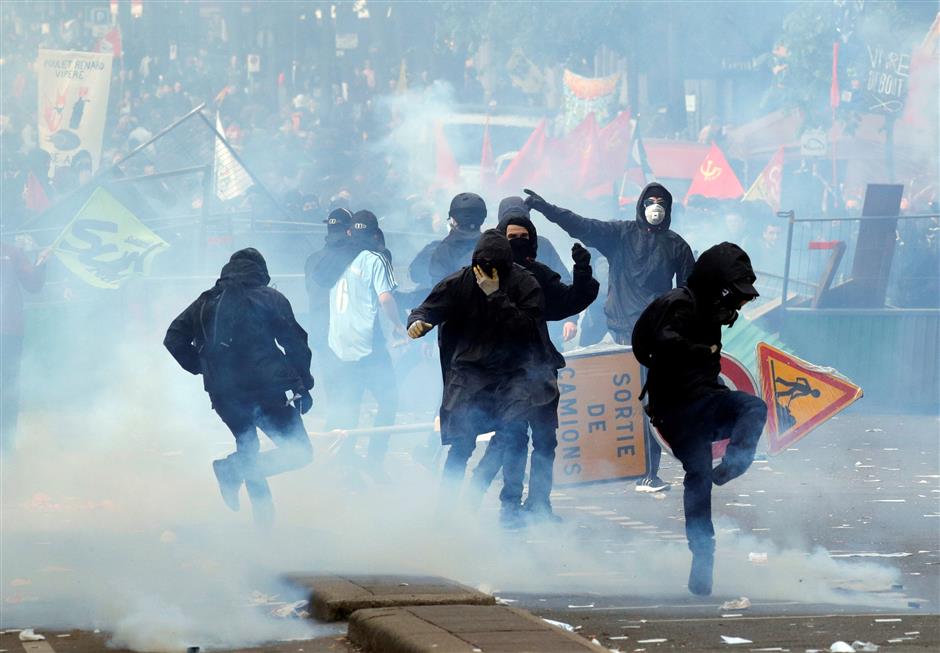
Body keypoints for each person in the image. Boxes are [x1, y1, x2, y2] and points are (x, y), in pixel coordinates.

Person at [524, 183, 695, 493]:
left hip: (656, 336)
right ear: (641, 204)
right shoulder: (620, 235)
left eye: (661, 203)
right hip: (619, 333)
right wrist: (546, 208)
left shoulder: (677, 246)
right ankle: (603, 465)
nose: (655, 207)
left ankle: (648, 471)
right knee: (616, 400)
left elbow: (688, 292)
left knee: (649, 403)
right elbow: (580, 225)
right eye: (650, 201)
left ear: (669, 209)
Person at [632, 242, 766, 596]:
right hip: (677, 409)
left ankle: (704, 556)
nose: (738, 305)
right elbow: (662, 340)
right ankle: (703, 552)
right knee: (700, 478)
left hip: (704, 401)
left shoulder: (709, 311)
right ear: (719, 287)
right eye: (735, 296)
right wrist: (699, 351)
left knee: (751, 413)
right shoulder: (682, 303)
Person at [164, 248, 314, 527]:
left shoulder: (206, 301)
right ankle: (231, 471)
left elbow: (173, 338)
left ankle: (263, 526)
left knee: (248, 450)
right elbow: (295, 343)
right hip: (267, 390)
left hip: (224, 394)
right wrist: (304, 384)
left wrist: (202, 367)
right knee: (299, 452)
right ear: (261, 272)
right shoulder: (270, 298)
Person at [468, 211, 599, 525]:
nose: (516, 243)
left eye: (523, 237)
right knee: (511, 438)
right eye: (510, 238)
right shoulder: (483, 277)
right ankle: (504, 506)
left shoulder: (539, 275)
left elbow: (568, 302)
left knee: (545, 440)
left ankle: (539, 504)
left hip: (538, 367)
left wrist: (582, 272)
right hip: (502, 371)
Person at [407, 230, 546, 521]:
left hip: (512, 373)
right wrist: (417, 322)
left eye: (495, 265)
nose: (488, 270)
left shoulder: (524, 283)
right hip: (469, 372)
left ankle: (510, 508)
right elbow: (427, 309)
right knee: (461, 442)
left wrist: (496, 296)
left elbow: (528, 329)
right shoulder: (460, 282)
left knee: (516, 436)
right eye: (483, 264)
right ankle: (444, 513)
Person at [310, 210, 406, 480]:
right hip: (368, 344)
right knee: (388, 401)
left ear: (350, 232)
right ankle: (373, 460)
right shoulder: (376, 258)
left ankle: (342, 466)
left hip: (338, 343)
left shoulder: (332, 258)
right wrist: (399, 327)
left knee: (348, 406)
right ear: (375, 234)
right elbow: (386, 298)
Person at [496, 196, 579, 347]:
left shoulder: (543, 245)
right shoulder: (492, 249)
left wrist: (570, 319)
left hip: (545, 330)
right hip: (505, 334)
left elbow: (564, 280)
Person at [1, 241, 48, 453]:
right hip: (10, 330)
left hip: (8, 330)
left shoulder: (10, 251)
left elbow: (33, 284)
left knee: (9, 388)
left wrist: (41, 262)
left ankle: (5, 445)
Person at [409, 192, 487, 291]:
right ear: (483, 218)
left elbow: (438, 289)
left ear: (453, 220)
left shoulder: (442, 249)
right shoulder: (493, 245)